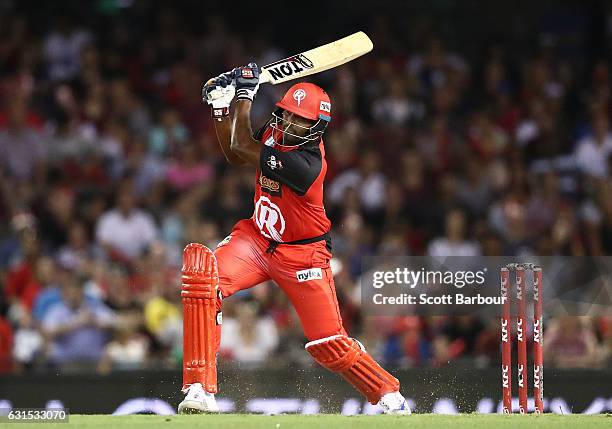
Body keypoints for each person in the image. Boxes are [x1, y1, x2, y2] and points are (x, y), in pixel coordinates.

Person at [177, 64, 410, 414]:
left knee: (328, 344)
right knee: (202, 277)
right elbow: (234, 152)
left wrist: (241, 94)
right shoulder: (274, 131)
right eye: (286, 115)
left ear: (316, 129)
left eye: (300, 121)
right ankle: (199, 389)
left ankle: (388, 393)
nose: (289, 125)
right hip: (257, 239)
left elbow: (241, 143)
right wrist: (221, 106)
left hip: (303, 255)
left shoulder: (306, 163)